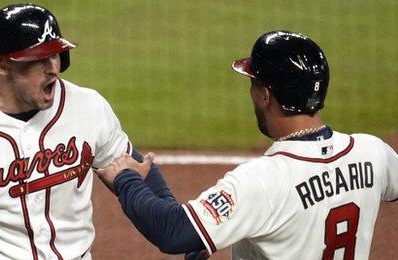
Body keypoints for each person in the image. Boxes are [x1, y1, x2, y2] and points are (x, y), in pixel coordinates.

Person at [95, 30, 398, 259]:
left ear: (265, 95)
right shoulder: (372, 152)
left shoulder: (262, 181)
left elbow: (172, 232)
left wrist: (127, 181)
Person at [0, 3, 140, 260]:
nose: (52, 68)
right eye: (38, 60)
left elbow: (136, 172)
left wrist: (183, 231)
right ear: (1, 66)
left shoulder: (88, 107)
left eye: (55, 55)